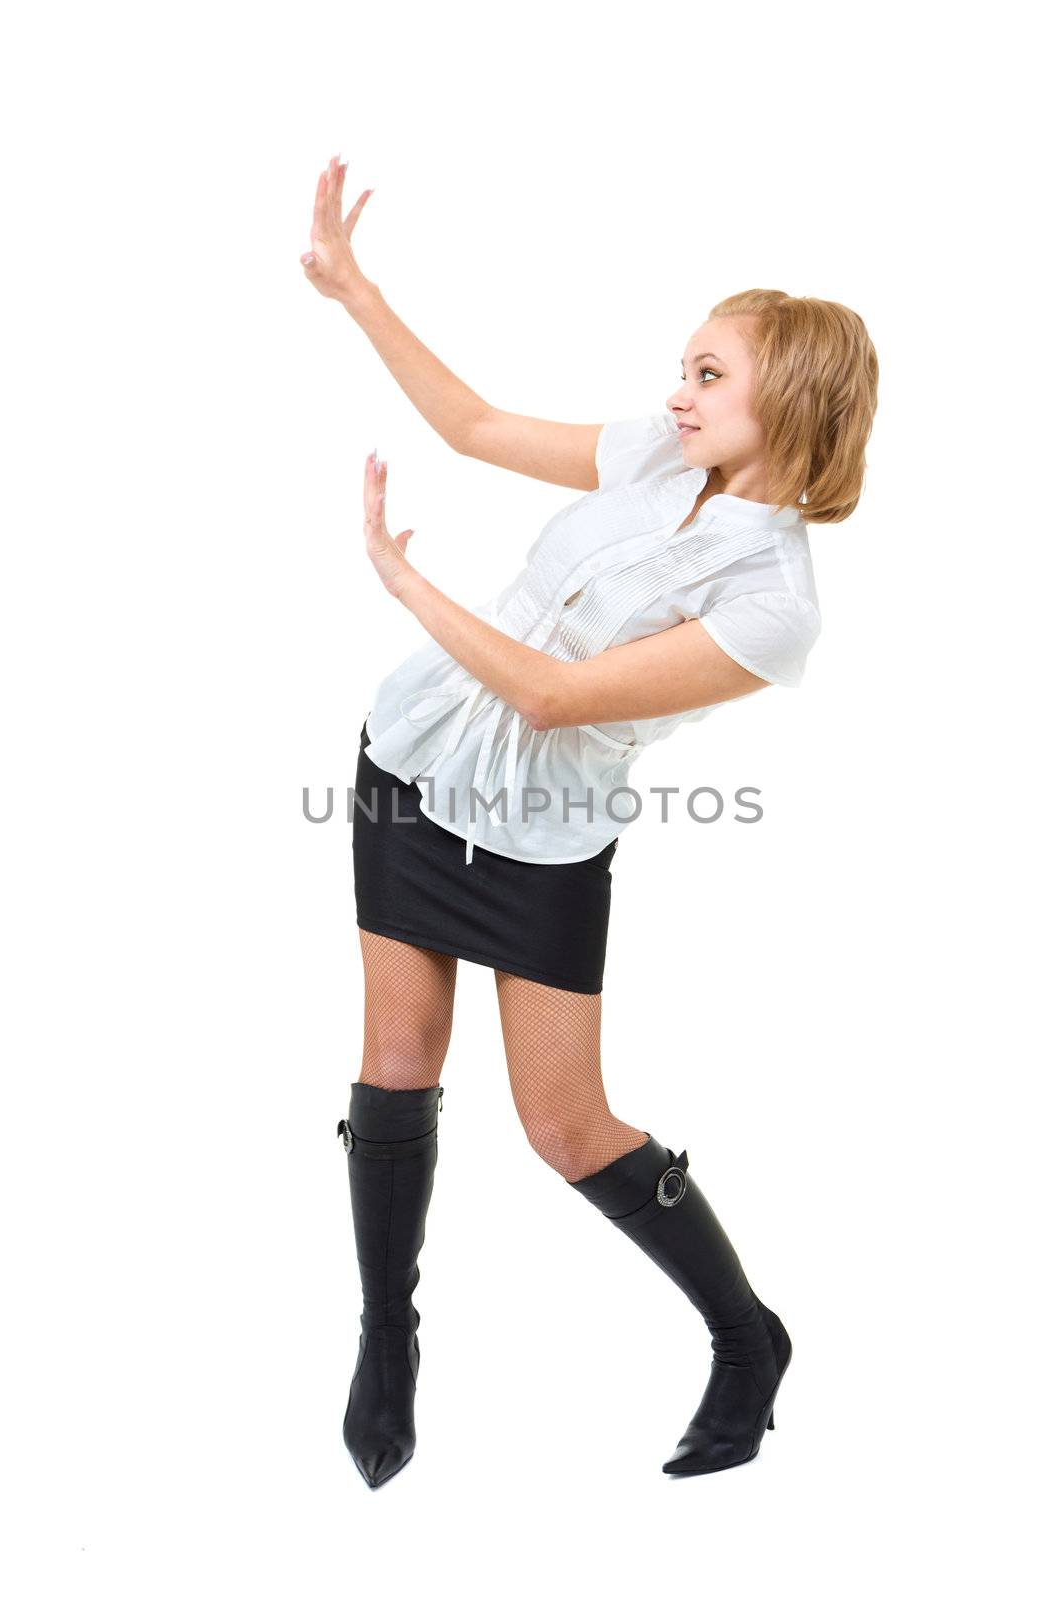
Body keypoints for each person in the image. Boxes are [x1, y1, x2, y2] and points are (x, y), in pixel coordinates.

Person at [302, 155, 879, 1490]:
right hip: (412, 764)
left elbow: (557, 699)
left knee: (565, 1126)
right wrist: (356, 292)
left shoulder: (776, 602)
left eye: (707, 374)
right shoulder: (652, 456)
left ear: (789, 399)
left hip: (541, 836)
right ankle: (388, 1339)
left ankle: (749, 1339)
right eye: (684, 367)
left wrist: (403, 581)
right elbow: (477, 426)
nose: (677, 393)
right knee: (394, 1061)